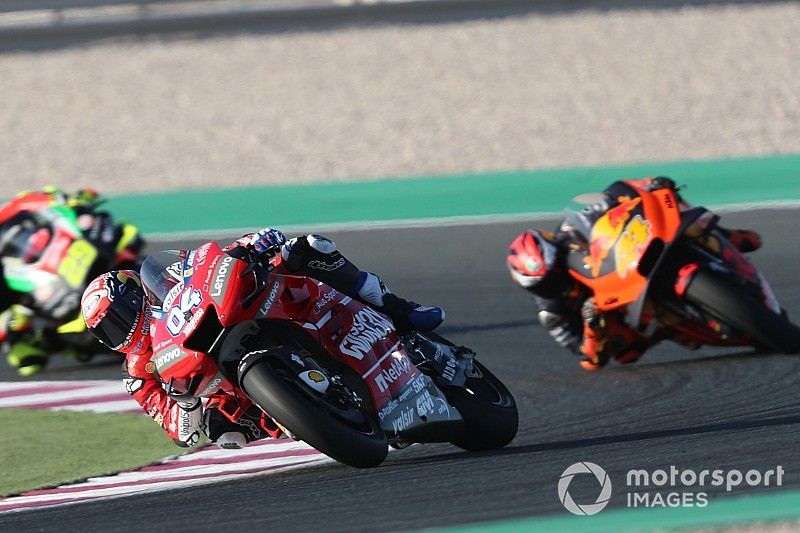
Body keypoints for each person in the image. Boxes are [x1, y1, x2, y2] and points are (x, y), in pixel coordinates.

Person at [81, 229, 445, 449]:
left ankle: (399, 309)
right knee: (223, 433)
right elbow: (179, 433)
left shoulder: (168, 281)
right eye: (109, 330)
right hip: (236, 389)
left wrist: (253, 245)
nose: (123, 329)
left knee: (307, 248)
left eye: (121, 316)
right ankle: (314, 415)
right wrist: (186, 402)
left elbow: (205, 264)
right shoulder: (138, 374)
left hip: (242, 312)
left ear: (135, 296)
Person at [506, 177, 762, 371]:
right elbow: (588, 359)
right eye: (547, 284)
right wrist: (593, 326)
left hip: (636, 256)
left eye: (555, 274)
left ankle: (728, 237)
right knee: (626, 351)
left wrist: (650, 185)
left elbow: (618, 192)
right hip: (629, 312)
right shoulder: (552, 313)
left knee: (682, 218)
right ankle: (700, 323)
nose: (556, 282)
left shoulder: (573, 228)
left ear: (552, 245)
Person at [0, 186, 144, 375]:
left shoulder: (10, 212)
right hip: (49, 298)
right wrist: (13, 328)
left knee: (122, 238)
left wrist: (72, 202)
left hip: (73, 254)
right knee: (27, 356)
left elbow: (42, 198)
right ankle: (66, 342)